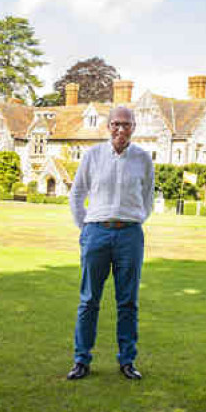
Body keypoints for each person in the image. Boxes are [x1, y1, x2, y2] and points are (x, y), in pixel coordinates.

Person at [67, 106, 154, 381]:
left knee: (128, 301)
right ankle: (82, 360)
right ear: (108, 126)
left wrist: (134, 219)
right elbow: (77, 192)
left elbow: (147, 197)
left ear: (134, 128)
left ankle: (127, 361)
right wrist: (86, 227)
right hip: (97, 233)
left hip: (130, 234)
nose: (121, 129)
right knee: (89, 299)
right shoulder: (93, 155)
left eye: (126, 125)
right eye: (116, 124)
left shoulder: (143, 158)